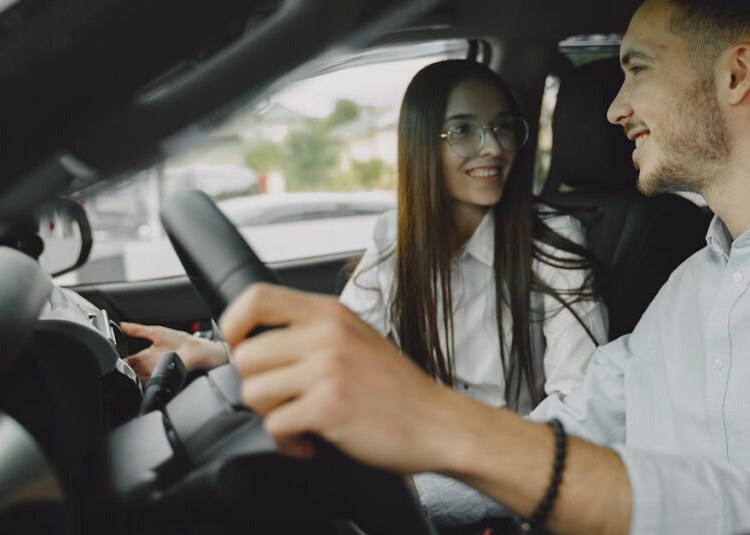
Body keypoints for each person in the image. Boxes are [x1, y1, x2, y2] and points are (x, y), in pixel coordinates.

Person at [221, 0, 750, 533]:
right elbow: (571, 425)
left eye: (635, 69)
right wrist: (358, 479)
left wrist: (445, 426)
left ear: (737, 74)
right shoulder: (689, 288)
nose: (613, 109)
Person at [123, 60, 607, 414]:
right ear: (422, 142)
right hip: (407, 448)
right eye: (464, 129)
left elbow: (580, 407)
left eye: (503, 128)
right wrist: (217, 353)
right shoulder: (398, 237)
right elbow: (343, 339)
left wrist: (437, 487)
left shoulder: (551, 241)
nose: (495, 147)